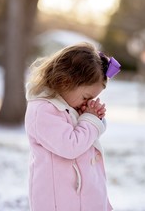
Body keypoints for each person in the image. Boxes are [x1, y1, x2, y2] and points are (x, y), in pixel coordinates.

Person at [24, 42, 120, 211]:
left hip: (84, 200)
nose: (88, 102)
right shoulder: (43, 110)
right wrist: (89, 119)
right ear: (65, 81)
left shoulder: (67, 106)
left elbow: (86, 138)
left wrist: (91, 116)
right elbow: (70, 146)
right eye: (85, 97)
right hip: (59, 203)